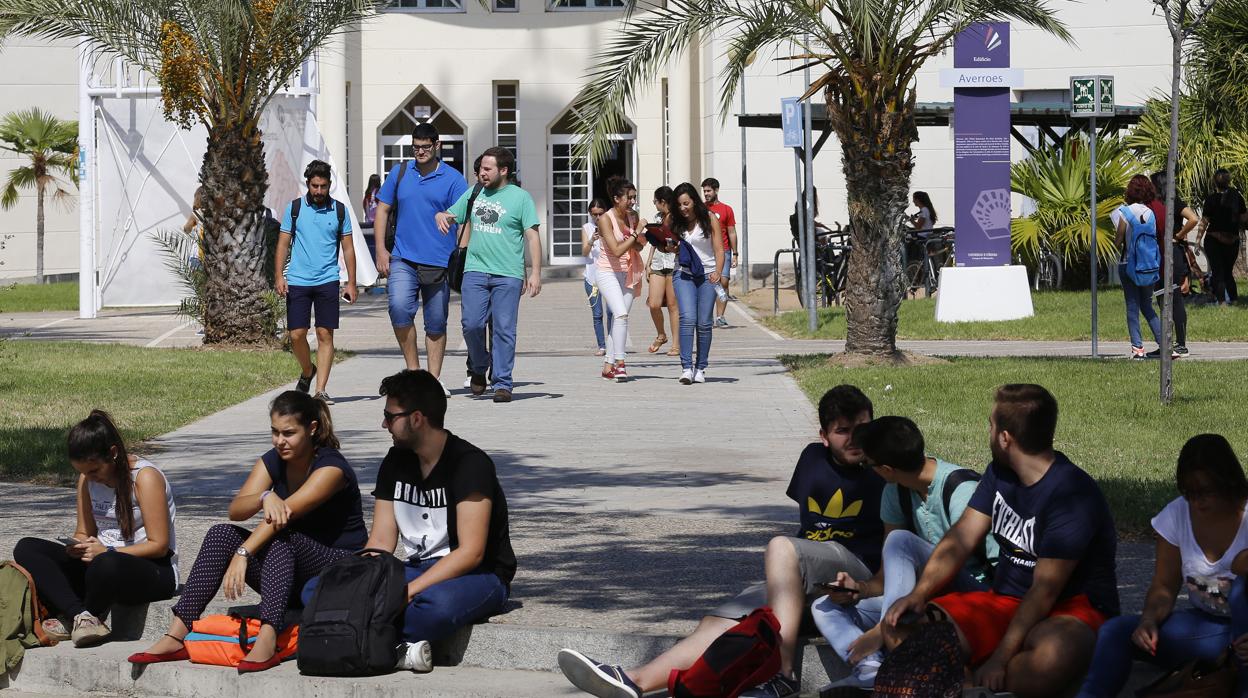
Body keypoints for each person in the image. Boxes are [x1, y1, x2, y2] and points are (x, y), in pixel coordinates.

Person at [557, 385, 882, 698]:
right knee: (718, 622)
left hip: (856, 569)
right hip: (809, 569)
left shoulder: (884, 468)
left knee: (781, 547)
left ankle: (782, 675)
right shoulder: (812, 458)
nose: (855, 439)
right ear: (823, 436)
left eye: (863, 428)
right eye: (843, 430)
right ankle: (634, 680)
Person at [885, 384, 1120, 698]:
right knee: (900, 628)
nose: (989, 431)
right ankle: (968, 685)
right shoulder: (1000, 472)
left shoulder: (1073, 495)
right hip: (1005, 600)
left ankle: (963, 680)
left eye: (991, 425)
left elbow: (1044, 589)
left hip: (1072, 609)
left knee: (1048, 661)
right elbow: (961, 536)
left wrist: (999, 659)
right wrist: (919, 593)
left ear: (1005, 438)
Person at [128, 391, 367, 673]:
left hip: (339, 570)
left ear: (312, 429)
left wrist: (243, 553)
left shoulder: (331, 468)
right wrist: (264, 496)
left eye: (289, 433)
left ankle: (267, 639)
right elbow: (236, 510)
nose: (280, 441)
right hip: (291, 570)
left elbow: (283, 517)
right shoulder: (275, 460)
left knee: (282, 538)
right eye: (275, 432)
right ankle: (177, 633)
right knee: (221, 534)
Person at [305, 369, 516, 673]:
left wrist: (405, 593)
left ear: (417, 419)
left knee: (435, 606)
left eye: (390, 416)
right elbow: (379, 543)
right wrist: (355, 586)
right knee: (317, 589)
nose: (384, 424)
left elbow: (471, 553)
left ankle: (362, 638)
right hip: (415, 570)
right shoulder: (395, 461)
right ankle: (392, 645)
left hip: (477, 575)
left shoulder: (470, 464)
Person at [810, 416, 996, 691]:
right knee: (824, 606)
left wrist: (880, 630)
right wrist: (859, 588)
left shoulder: (961, 490)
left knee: (900, 539)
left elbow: (956, 563)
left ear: (885, 468)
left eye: (867, 464)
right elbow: (888, 579)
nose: (867, 469)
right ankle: (871, 668)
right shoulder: (895, 491)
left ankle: (888, 641)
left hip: (972, 593)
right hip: (918, 599)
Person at [1076, 434, 1248, 698]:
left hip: (1242, 636)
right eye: (1189, 493)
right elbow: (1164, 586)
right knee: (1116, 631)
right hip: (1211, 631)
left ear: (1228, 482)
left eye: (1206, 491)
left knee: (1240, 592)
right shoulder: (1177, 514)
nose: (1197, 502)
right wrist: (1148, 620)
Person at [13, 411, 178, 648]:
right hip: (99, 565)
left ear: (113, 453)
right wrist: (78, 546)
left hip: (151, 570)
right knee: (27, 548)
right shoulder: (86, 480)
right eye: (82, 472)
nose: (90, 478)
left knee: (106, 563)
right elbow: (84, 531)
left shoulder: (144, 477)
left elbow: (159, 546)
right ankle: (80, 616)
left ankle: (79, 616)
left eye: (94, 471)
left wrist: (107, 551)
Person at [436, 147, 541, 404]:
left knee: (504, 330)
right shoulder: (475, 193)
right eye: (481, 168)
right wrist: (442, 215)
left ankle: (503, 382)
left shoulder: (521, 198)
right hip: (475, 271)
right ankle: (479, 366)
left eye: (487, 169)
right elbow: (452, 213)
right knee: (471, 325)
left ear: (503, 170)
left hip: (508, 274)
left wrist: (536, 272)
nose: (481, 173)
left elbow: (532, 236)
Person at [373, 124, 469, 397]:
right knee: (399, 308)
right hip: (403, 257)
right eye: (416, 147)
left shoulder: (453, 179)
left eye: (425, 147)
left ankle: (433, 379)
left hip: (439, 261)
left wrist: (462, 254)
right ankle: (415, 373)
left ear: (437, 146)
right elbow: (383, 209)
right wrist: (380, 249)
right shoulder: (400, 172)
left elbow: (463, 220)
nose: (420, 152)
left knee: (436, 322)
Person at [274, 159, 357, 404]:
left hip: (328, 280)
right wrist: (279, 275)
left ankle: (320, 389)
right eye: (314, 186)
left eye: (323, 186)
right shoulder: (295, 208)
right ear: (307, 184)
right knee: (296, 335)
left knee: (324, 334)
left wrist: (351, 282)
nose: (319, 191)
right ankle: (308, 371)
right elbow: (282, 243)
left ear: (329, 185)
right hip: (298, 280)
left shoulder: (340, 210)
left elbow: (349, 249)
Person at [670, 182, 724, 385]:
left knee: (704, 323)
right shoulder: (675, 221)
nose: (683, 208)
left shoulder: (709, 218)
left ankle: (700, 367)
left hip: (708, 275)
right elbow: (671, 247)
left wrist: (718, 272)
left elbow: (719, 249)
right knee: (687, 319)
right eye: (679, 205)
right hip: (684, 274)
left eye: (686, 203)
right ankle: (686, 367)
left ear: (694, 201)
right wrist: (670, 248)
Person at [594, 177, 646, 382]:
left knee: (618, 318)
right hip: (607, 272)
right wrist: (635, 234)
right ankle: (621, 363)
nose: (633, 202)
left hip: (629, 271)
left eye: (634, 197)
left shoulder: (633, 217)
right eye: (629, 198)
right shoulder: (605, 219)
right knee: (622, 315)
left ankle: (608, 365)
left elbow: (639, 246)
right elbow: (615, 251)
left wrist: (635, 235)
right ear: (616, 198)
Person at [1111, 175, 1164, 360]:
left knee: (1132, 307)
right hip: (1148, 265)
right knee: (1147, 306)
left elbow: (1118, 240)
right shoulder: (1150, 213)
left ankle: (1137, 347)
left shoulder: (1125, 212)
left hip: (1129, 264)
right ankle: (1164, 344)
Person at [1148, 171, 1199, 357]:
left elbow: (1193, 218)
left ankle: (1181, 344)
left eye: (1152, 184)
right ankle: (1166, 342)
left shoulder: (1173, 201)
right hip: (1159, 254)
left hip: (1172, 254)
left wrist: (1177, 235)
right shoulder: (1154, 204)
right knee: (1162, 298)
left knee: (1175, 298)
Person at [1199, 168, 1245, 305]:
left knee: (1218, 271)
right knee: (1228, 272)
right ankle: (1235, 300)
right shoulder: (1238, 198)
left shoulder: (1211, 199)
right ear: (1229, 181)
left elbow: (1204, 222)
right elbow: (1244, 218)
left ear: (1215, 182)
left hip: (1214, 239)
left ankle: (1222, 303)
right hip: (1232, 240)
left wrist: (1197, 241)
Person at [645, 186, 680, 357]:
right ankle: (661, 334)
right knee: (654, 304)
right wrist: (648, 262)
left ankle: (676, 344)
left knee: (673, 305)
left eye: (655, 201)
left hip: (674, 262)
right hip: (658, 262)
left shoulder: (678, 218)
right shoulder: (657, 217)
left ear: (663, 202)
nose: (654, 204)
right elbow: (654, 242)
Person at [701, 178, 737, 328]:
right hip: (707, 252)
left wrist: (735, 253)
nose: (706, 194)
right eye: (704, 191)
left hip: (725, 251)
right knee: (708, 282)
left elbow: (732, 232)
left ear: (716, 190)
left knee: (723, 281)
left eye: (708, 191)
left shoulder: (726, 209)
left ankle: (720, 316)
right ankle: (706, 316)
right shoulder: (701, 209)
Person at [581, 198, 613, 357]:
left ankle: (614, 342)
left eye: (601, 214)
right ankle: (602, 345)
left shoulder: (611, 226)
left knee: (612, 312)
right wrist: (592, 239)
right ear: (590, 214)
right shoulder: (587, 228)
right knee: (597, 314)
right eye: (594, 214)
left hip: (609, 275)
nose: (598, 217)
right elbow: (585, 253)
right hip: (591, 277)